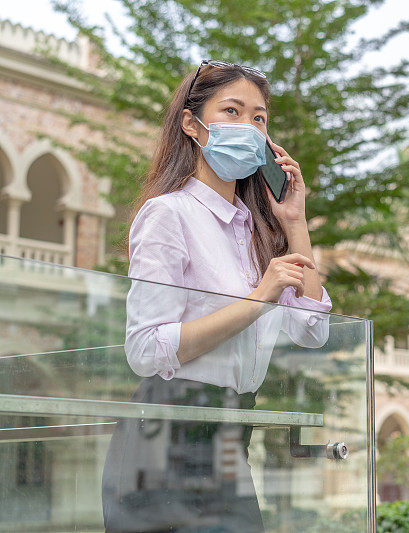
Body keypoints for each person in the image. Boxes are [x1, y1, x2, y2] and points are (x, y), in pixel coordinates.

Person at [101, 59, 333, 532]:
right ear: (192, 124)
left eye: (259, 118)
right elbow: (145, 350)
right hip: (163, 443)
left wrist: (294, 222)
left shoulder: (257, 234)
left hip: (231, 440)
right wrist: (259, 296)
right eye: (231, 111)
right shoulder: (168, 215)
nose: (248, 126)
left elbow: (312, 329)